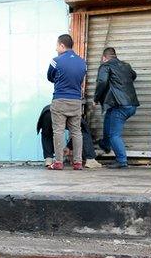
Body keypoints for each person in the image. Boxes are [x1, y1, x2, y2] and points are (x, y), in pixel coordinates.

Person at [94, 47, 139, 169]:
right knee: (108, 117)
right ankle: (105, 144)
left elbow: (102, 82)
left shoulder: (105, 66)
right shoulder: (126, 66)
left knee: (115, 135)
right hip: (131, 104)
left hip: (121, 105)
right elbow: (133, 76)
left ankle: (122, 161)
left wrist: (96, 99)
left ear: (104, 57)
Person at [47, 34, 87, 170]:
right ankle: (78, 162)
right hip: (76, 100)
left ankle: (58, 162)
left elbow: (50, 77)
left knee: (58, 131)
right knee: (76, 131)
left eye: (57, 45)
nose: (56, 48)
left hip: (60, 100)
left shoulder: (55, 60)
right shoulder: (82, 62)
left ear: (62, 45)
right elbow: (81, 80)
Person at [36, 105, 102, 168]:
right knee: (82, 131)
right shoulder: (74, 108)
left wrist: (68, 147)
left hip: (47, 112)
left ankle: (48, 160)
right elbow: (79, 134)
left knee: (46, 134)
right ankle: (90, 160)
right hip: (67, 111)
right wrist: (70, 147)